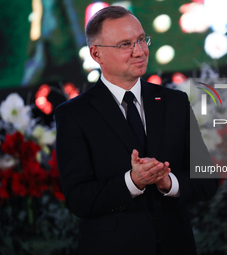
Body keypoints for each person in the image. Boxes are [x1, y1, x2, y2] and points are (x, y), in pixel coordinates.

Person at [55, 6, 217, 255]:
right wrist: (132, 182)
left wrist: (168, 181)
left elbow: (207, 181)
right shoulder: (74, 115)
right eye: (125, 45)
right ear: (96, 54)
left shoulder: (175, 103)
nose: (140, 51)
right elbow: (79, 199)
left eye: (142, 40)